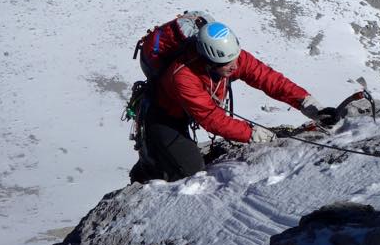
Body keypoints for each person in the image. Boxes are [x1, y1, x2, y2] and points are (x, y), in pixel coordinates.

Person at [130, 20, 327, 183]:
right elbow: (211, 119)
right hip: (164, 116)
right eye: (226, 64)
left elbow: (269, 79)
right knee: (190, 172)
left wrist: (309, 104)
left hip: (186, 110)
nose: (234, 66)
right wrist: (254, 134)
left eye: (236, 58)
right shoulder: (183, 75)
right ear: (207, 61)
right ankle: (148, 166)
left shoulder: (231, 57)